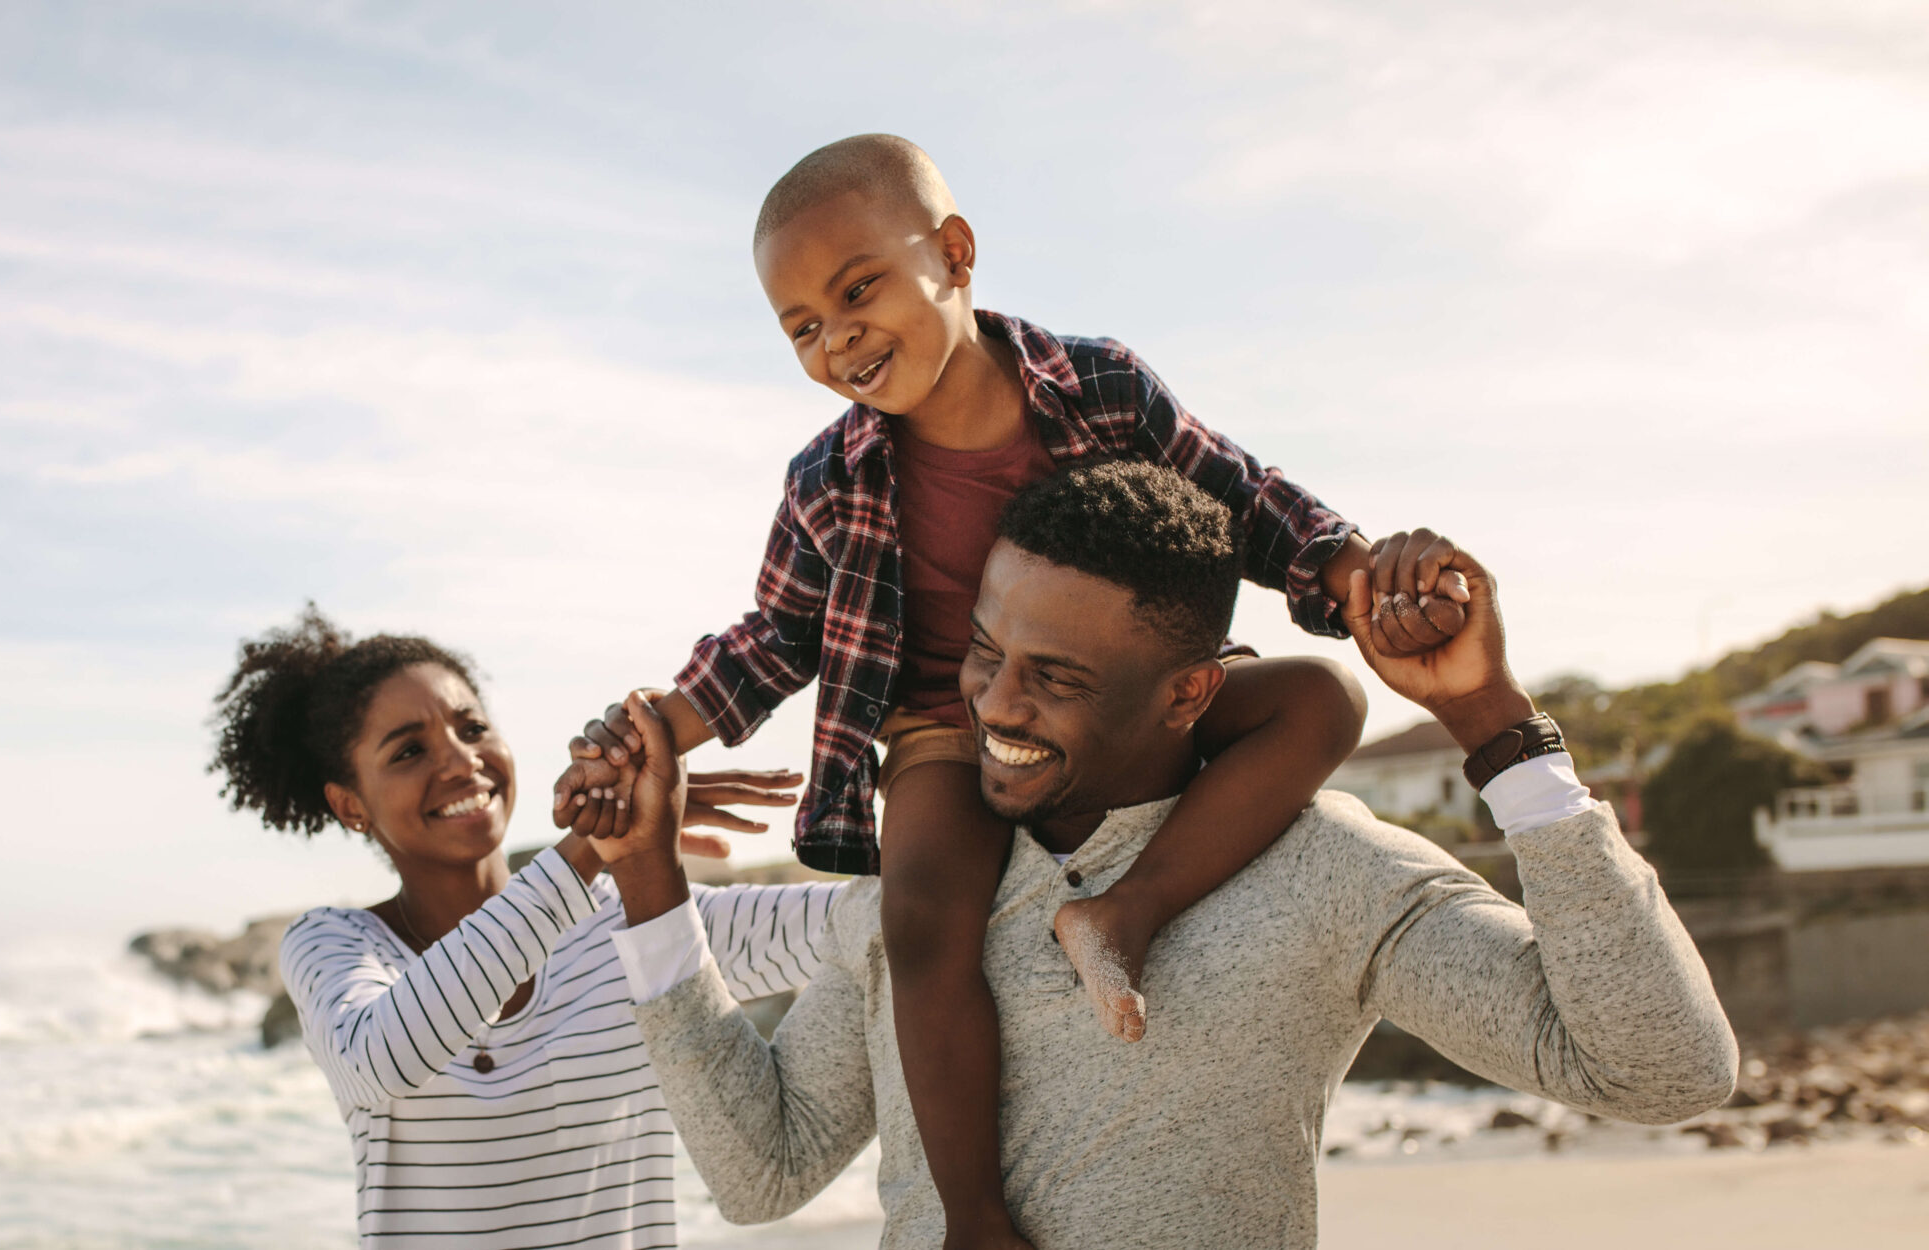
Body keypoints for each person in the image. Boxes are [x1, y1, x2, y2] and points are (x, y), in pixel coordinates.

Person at [552, 133, 1469, 1248]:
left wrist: (1352, 568)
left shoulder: (1098, 387)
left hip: (1120, 695)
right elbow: (774, 637)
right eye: (800, 326)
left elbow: (1244, 496)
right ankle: (974, 1216)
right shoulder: (827, 478)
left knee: (1321, 701)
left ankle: (1122, 909)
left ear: (953, 251)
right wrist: (657, 728)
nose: (837, 337)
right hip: (944, 722)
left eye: (856, 290)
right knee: (926, 918)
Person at [595, 462, 1737, 1250]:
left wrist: (1494, 726)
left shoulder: (1321, 871)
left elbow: (1663, 1067)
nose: (994, 701)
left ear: (1190, 690)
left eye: (1056, 676)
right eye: (986, 652)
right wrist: (650, 881)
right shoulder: (918, 894)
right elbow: (761, 1171)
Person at [205, 607, 838, 1249]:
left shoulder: (641, 919)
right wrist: (597, 839)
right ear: (350, 804)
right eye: (409, 750)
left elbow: (864, 927)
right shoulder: (334, 943)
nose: (461, 761)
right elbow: (379, 1060)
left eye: (473, 727)